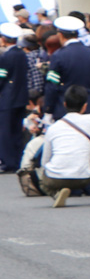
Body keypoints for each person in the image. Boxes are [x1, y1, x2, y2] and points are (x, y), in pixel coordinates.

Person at [38, 85, 90, 207]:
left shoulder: (53, 128)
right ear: (85, 106)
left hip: (54, 179)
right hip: (84, 177)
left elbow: (44, 162)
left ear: (64, 104)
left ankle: (55, 193)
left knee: (43, 180)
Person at [42, 15, 90, 121]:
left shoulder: (58, 56)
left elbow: (52, 86)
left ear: (60, 35)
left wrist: (48, 110)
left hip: (65, 109)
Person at [0, 22, 30, 172]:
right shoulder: (21, 54)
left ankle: (7, 161)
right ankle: (18, 160)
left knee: (5, 131)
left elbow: (1, 77)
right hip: (21, 96)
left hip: (7, 97)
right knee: (17, 130)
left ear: (4, 39)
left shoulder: (6, 56)